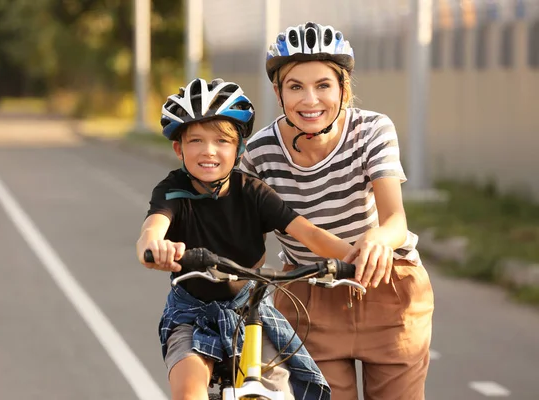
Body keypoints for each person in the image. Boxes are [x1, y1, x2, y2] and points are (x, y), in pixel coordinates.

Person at [240, 22, 434, 399]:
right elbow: (247, 238)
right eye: (295, 86)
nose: (310, 100)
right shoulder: (259, 152)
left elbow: (395, 219)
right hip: (308, 296)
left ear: (343, 89)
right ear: (278, 92)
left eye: (323, 85)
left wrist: (378, 239)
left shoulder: (372, 130)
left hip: (389, 288)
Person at [136, 77, 362, 400]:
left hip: (251, 309)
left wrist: (357, 258)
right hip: (191, 312)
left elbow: (309, 233)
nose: (209, 151)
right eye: (196, 141)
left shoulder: (252, 192)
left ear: (240, 148)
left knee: (281, 392)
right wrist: (155, 248)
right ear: (178, 148)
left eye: (222, 141)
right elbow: (151, 230)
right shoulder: (173, 190)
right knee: (189, 393)